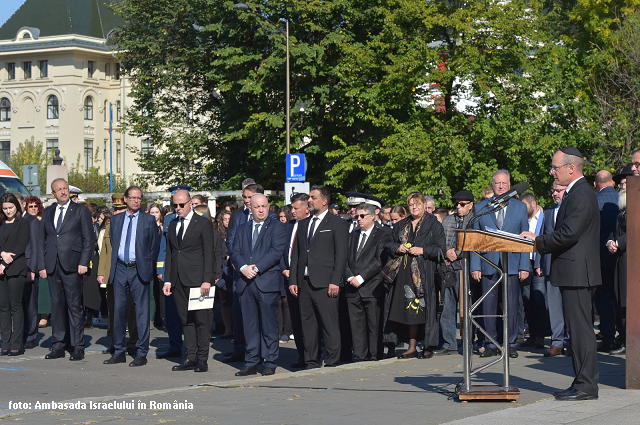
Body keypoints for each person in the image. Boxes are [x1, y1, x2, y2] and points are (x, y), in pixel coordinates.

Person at [521, 147, 601, 401]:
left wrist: (538, 240)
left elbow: (569, 233)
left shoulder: (581, 194)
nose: (551, 172)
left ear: (571, 168)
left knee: (580, 331)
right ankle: (581, 381)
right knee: (576, 331)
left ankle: (587, 386)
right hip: (572, 272)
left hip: (579, 273)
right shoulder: (575, 193)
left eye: (555, 167)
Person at [471, 170, 529, 359]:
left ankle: (510, 343)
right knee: (488, 305)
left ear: (510, 186)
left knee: (511, 304)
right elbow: (475, 240)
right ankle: (490, 343)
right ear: (493, 186)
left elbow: (524, 238)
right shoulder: (481, 207)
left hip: (511, 263)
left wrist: (524, 266)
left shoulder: (520, 207)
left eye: (504, 183)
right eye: (498, 183)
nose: (501, 186)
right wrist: (475, 266)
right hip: (488, 262)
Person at [289, 185, 349, 369]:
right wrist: (293, 279)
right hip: (304, 282)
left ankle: (332, 359)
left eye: (313, 197)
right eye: (309, 198)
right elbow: (297, 254)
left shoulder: (337, 223)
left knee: (329, 323)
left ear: (324, 201)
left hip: (325, 282)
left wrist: (335, 280)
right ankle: (311, 360)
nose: (309, 201)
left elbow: (341, 256)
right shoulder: (303, 223)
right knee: (308, 324)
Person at [164, 189, 222, 373]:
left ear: (190, 203)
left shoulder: (202, 223)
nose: (178, 208)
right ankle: (190, 356)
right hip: (178, 279)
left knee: (201, 320)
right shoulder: (172, 225)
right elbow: (171, 254)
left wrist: (207, 279)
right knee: (186, 320)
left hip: (198, 280)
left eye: (181, 205)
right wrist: (167, 280)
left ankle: (202, 358)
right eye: (175, 205)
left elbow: (209, 253)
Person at [383, 192, 445, 359]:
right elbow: (387, 244)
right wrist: (398, 247)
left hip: (425, 273)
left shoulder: (434, 224)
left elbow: (441, 249)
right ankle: (411, 347)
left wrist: (423, 251)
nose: (415, 207)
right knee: (409, 311)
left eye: (418, 204)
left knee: (425, 310)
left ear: (425, 205)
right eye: (411, 204)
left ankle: (428, 346)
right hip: (404, 273)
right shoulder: (401, 225)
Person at [103, 186, 160, 367]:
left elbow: (154, 247)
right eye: (133, 198)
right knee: (118, 311)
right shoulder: (116, 219)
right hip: (120, 269)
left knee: (141, 312)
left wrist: (145, 264)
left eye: (139, 198)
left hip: (138, 269)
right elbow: (114, 242)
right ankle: (119, 350)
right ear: (125, 199)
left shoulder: (148, 220)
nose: (136, 201)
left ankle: (141, 352)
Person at [230, 194, 286, 376]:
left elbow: (276, 251)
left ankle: (270, 361)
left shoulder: (277, 227)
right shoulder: (242, 229)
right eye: (257, 207)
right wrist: (244, 267)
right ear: (250, 209)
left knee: (269, 325)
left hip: (266, 282)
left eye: (264, 206)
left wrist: (257, 268)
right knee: (250, 325)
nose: (261, 210)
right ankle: (251, 361)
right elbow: (235, 251)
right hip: (245, 282)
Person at [40, 178, 95, 361]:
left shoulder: (80, 210)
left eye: (65, 188)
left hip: (73, 265)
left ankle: (77, 346)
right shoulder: (48, 213)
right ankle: (58, 345)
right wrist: (42, 265)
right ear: (53, 194)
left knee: (74, 306)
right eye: (59, 190)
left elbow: (89, 239)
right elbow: (43, 240)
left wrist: (84, 262)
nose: (63, 192)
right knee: (56, 306)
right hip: (53, 265)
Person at [344, 202, 390, 361]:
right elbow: (344, 259)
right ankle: (359, 355)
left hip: (371, 287)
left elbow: (379, 261)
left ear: (373, 216)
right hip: (352, 287)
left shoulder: (382, 234)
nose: (359, 219)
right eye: (357, 216)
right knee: (356, 325)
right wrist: (350, 277)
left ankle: (374, 355)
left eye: (362, 216)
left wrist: (361, 278)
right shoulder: (353, 234)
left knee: (373, 324)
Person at [534, 182, 570, 357]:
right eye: (553, 190)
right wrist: (538, 264)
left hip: (568, 265)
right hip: (549, 265)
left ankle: (571, 341)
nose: (555, 193)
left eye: (559, 190)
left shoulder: (572, 211)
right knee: (554, 306)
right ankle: (557, 342)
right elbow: (541, 239)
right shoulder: (547, 213)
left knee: (570, 305)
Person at [438, 190, 475, 355]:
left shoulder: (474, 220)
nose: (458, 208)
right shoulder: (448, 220)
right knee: (447, 306)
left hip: (466, 268)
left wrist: (457, 253)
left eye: (462, 205)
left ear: (471, 205)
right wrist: (446, 252)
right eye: (457, 204)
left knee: (466, 308)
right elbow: (441, 241)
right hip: (449, 269)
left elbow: (472, 241)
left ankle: (468, 342)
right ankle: (449, 343)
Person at [0, 193, 31, 356]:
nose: (8, 211)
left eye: (10, 208)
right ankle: (5, 342)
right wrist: (2, 254)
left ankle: (17, 344)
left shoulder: (23, 223)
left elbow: (21, 245)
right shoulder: (1, 223)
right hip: (1, 269)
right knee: (3, 307)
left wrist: (5, 261)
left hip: (16, 268)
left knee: (15, 306)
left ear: (16, 207)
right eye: (4, 209)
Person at [282, 193, 310, 368]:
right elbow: (281, 250)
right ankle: (301, 355)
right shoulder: (288, 227)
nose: (292, 211)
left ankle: (312, 354)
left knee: (309, 321)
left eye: (295, 208)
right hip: (288, 278)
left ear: (307, 209)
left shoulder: (311, 226)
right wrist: (284, 269)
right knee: (297, 321)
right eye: (291, 208)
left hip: (307, 280)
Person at [593, 170, 619, 353]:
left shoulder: (594, 202)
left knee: (603, 299)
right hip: (620, 257)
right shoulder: (622, 198)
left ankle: (608, 336)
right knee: (617, 298)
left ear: (595, 185)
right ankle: (621, 336)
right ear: (613, 183)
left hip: (600, 257)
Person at [519, 193, 549, 349]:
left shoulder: (544, 218)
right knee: (526, 299)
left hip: (538, 263)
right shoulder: (522, 220)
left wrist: (541, 263)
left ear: (534, 203)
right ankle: (531, 334)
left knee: (538, 299)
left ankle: (541, 336)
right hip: (524, 263)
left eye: (525, 206)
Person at [606, 190, 627, 355]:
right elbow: (615, 231)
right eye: (621, 185)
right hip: (619, 261)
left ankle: (628, 339)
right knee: (619, 299)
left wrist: (619, 242)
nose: (623, 188)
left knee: (627, 301)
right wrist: (610, 242)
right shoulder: (621, 212)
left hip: (629, 261)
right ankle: (622, 337)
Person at [25, 196, 49, 330]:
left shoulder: (41, 220)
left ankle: (44, 315)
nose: (34, 209)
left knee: (42, 289)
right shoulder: (26, 220)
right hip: (34, 258)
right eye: (31, 206)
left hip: (42, 258)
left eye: (35, 206)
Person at [213, 209, 233, 339]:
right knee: (223, 301)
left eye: (229, 219)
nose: (227, 222)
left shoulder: (234, 232)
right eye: (224, 219)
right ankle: (228, 329)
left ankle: (235, 329)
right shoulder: (218, 234)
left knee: (233, 301)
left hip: (232, 269)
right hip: (221, 269)